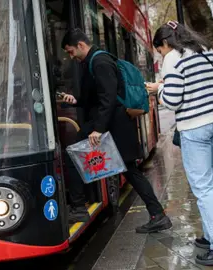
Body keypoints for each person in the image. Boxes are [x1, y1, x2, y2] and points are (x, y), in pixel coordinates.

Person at [60, 28, 172, 234]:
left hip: (113, 125)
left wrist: (98, 129)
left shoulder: (100, 62)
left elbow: (108, 98)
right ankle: (158, 215)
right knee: (130, 171)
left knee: (74, 156)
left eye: (70, 51)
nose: (70, 56)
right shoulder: (95, 61)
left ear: (81, 46)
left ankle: (78, 208)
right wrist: (76, 100)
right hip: (115, 125)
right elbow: (99, 95)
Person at [146, 21, 213, 266]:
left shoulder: (173, 57)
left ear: (165, 43)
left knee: (203, 187)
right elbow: (211, 81)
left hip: (196, 127)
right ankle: (211, 234)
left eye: (160, 50)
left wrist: (159, 91)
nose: (161, 55)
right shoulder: (206, 50)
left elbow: (174, 100)